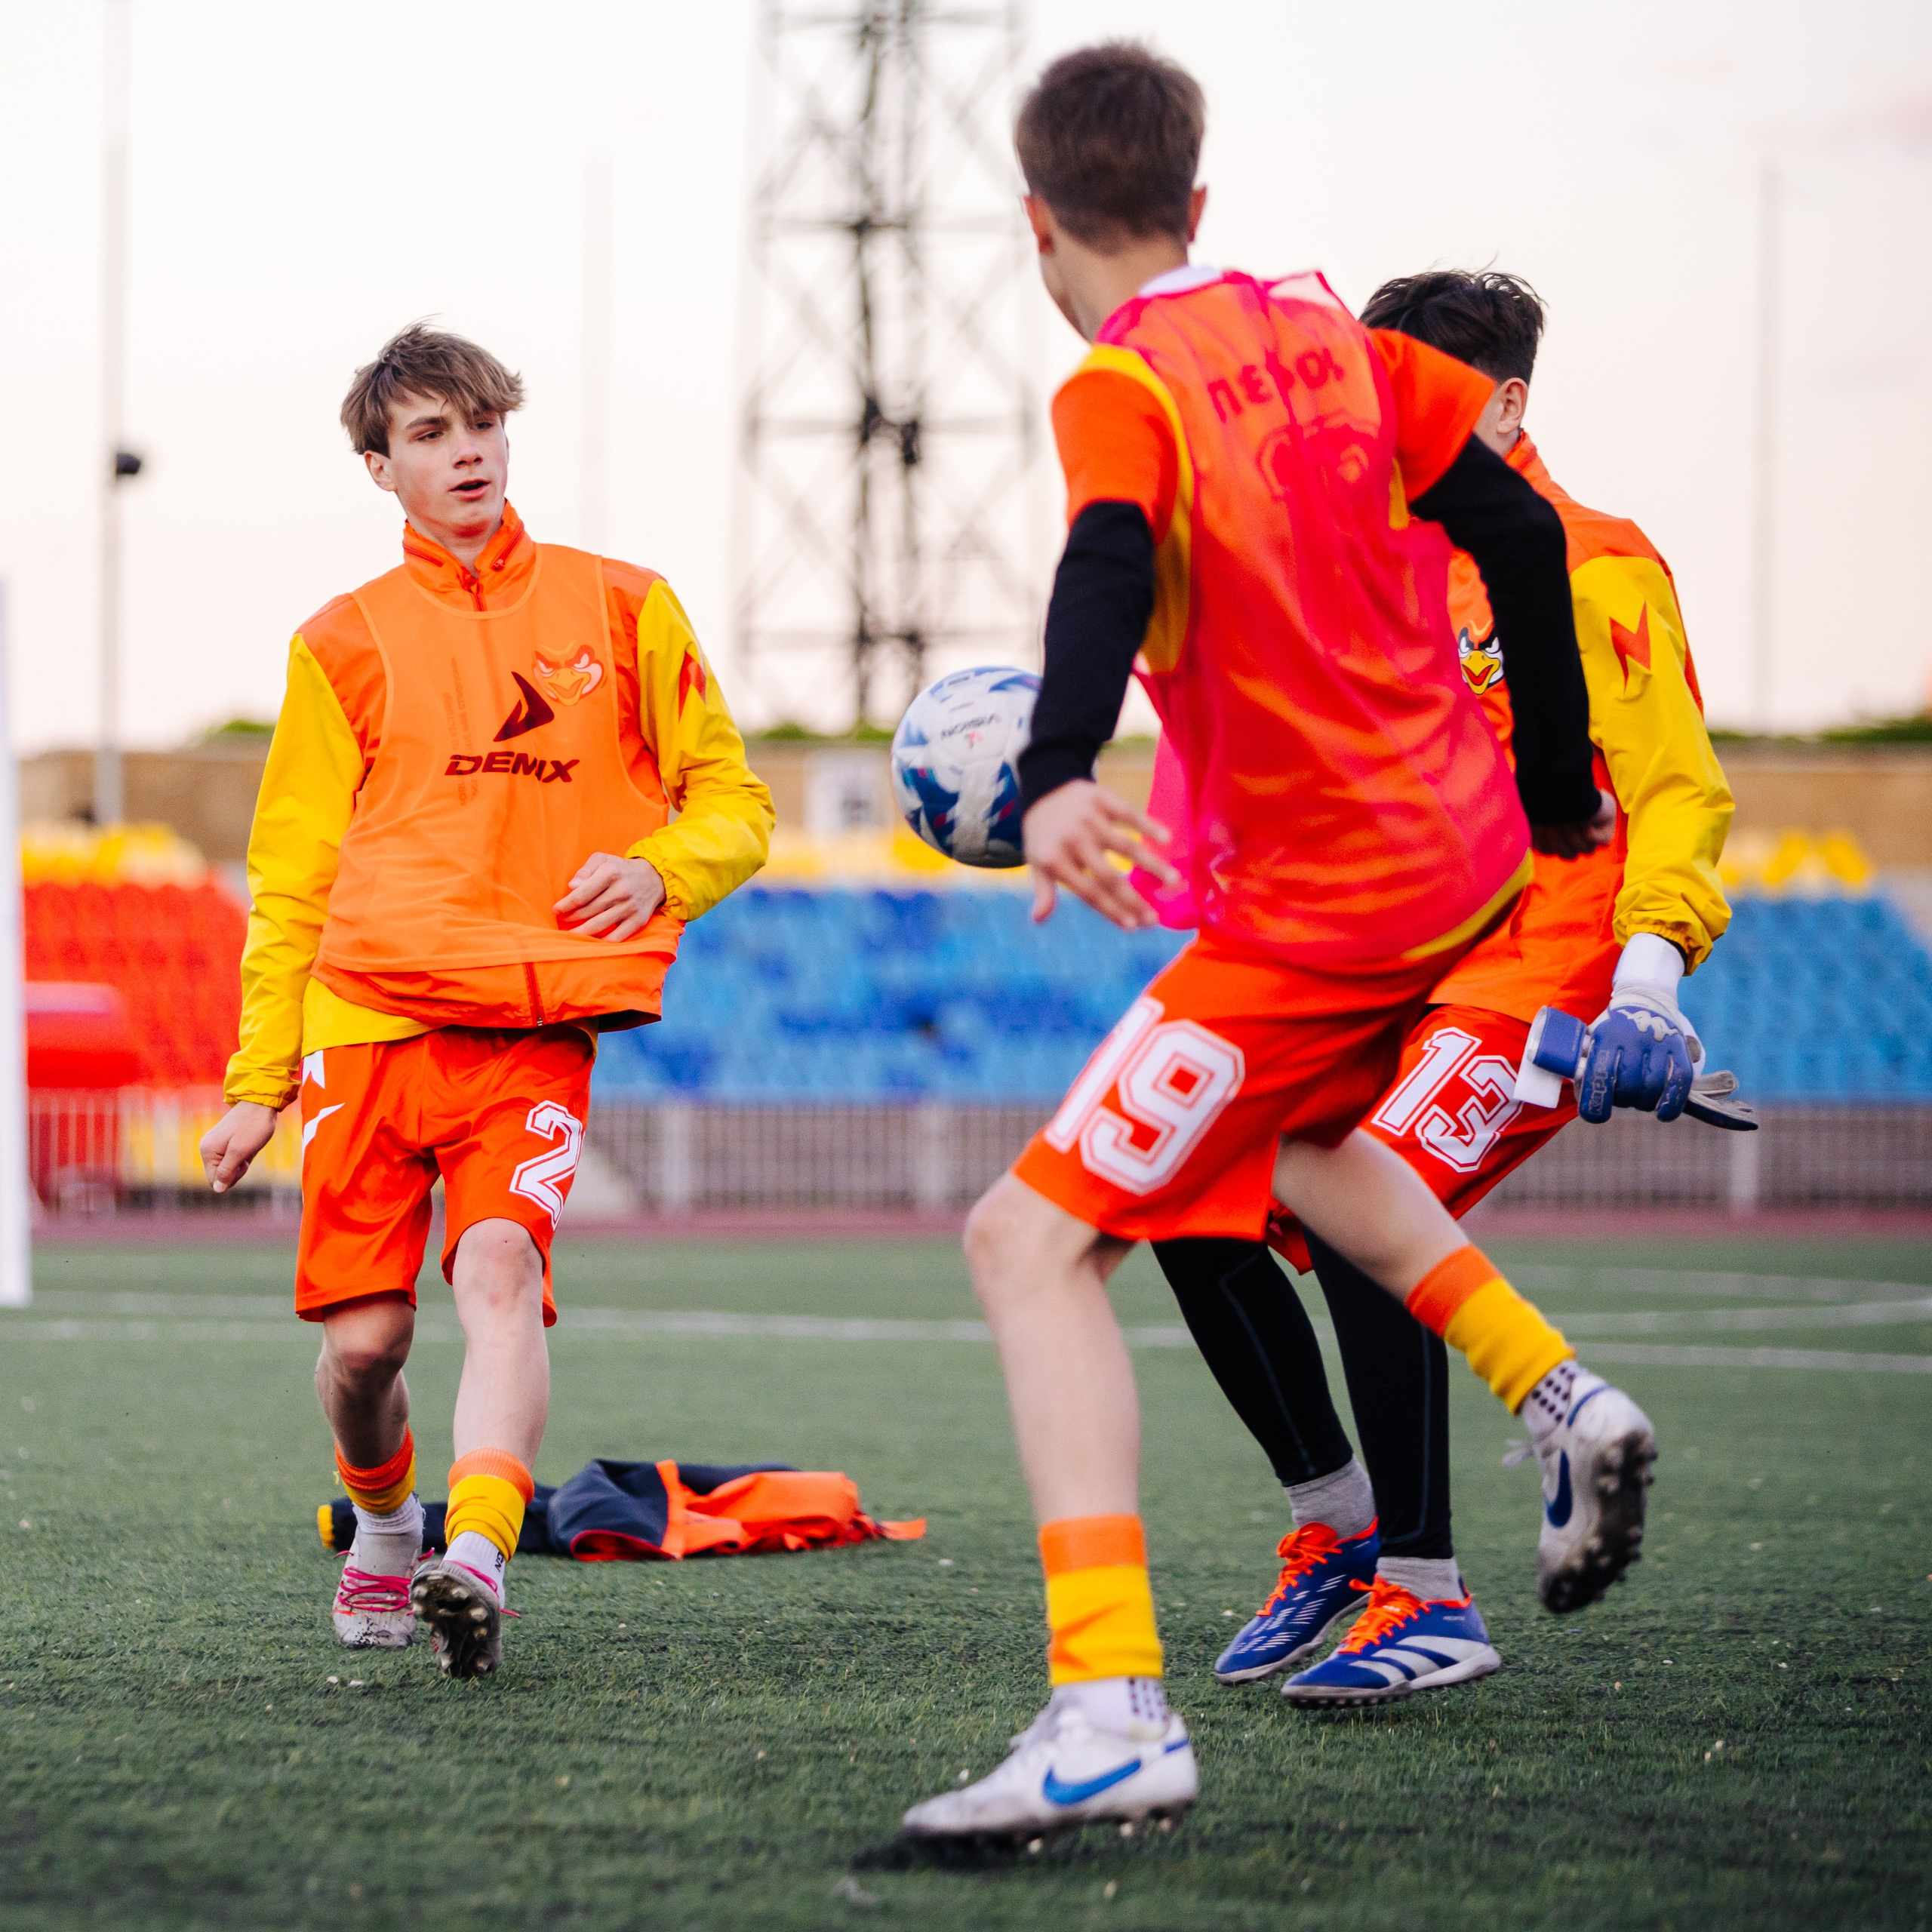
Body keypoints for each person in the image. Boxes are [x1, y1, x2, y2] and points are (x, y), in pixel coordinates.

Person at [902, 45, 1650, 1843]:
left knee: (1026, 1242)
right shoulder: (1340, 339)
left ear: (1035, 225)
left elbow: (1099, 558)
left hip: (1321, 904)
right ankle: (1561, 1400)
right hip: (1465, 866)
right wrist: (1549, 783)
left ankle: (1105, 1710)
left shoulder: (1120, 379)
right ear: (1198, 203)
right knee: (1307, 1156)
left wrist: (1065, 765)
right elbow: (1515, 531)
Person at [1152, 271, 1733, 1706]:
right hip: (1396, 956)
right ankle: (1341, 1531)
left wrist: (1649, 981)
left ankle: (1429, 1597)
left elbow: (1676, 793)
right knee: (1175, 1179)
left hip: (1546, 962)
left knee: (1369, 1196)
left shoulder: (1595, 566)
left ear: (1510, 406)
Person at [198, 326, 773, 1678]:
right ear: (378, 465)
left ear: (510, 433)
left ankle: (479, 1553)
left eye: (483, 426)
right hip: (368, 1026)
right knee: (366, 1345)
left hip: (532, 1034)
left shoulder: (627, 606)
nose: (467, 453)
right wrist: (256, 1082)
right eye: (430, 435)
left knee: (502, 1270)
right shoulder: (339, 645)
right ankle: (389, 1529)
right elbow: (290, 879)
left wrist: (662, 867)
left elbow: (734, 806)